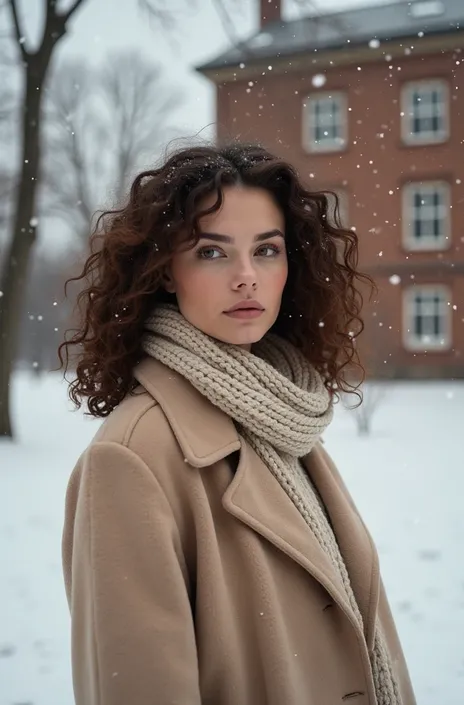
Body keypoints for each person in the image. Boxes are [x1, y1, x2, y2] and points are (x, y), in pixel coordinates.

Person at [60, 142, 416, 705]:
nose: (247, 276)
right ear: (166, 272)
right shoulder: (133, 457)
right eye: (212, 253)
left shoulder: (285, 415)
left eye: (267, 250)